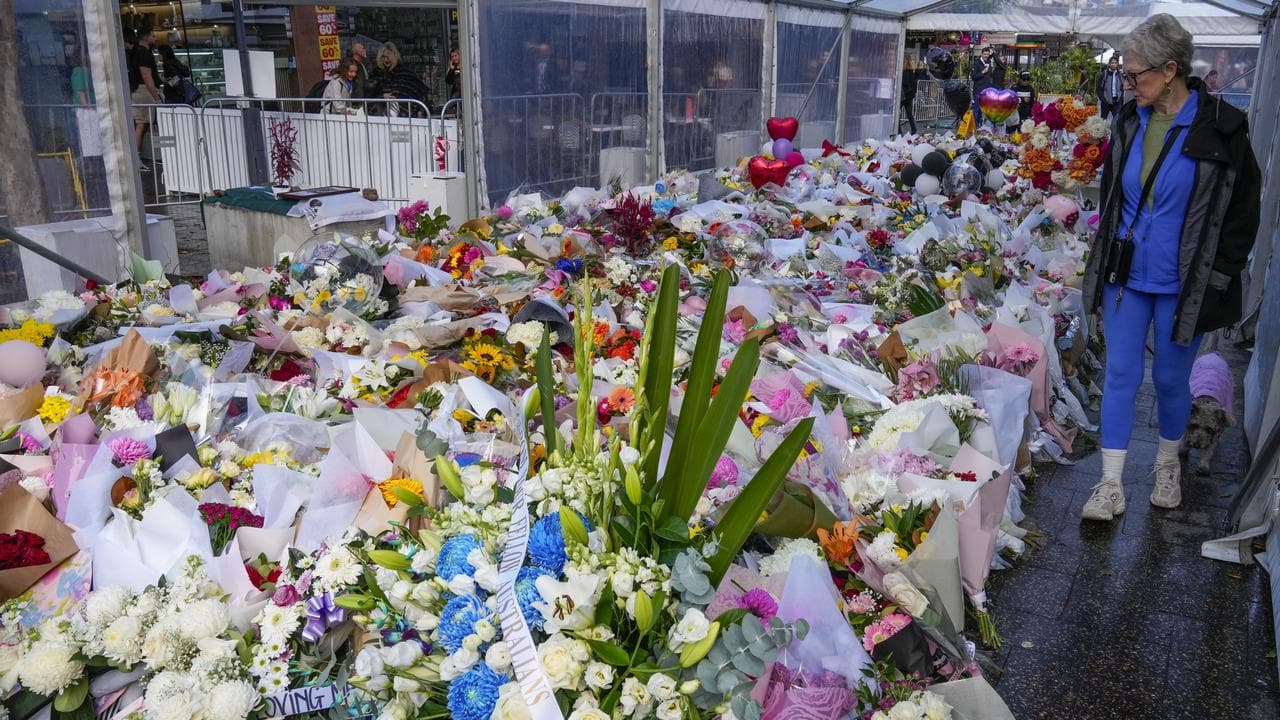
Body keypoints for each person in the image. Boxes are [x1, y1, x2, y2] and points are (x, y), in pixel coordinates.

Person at [1079, 14, 1260, 520]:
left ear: (1171, 69)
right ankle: (1110, 485)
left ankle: (1166, 464)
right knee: (1119, 373)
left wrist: (1222, 274)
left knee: (1171, 382)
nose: (1127, 84)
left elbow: (1245, 210)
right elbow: (1116, 198)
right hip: (1127, 276)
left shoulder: (1222, 128)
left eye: (1135, 75)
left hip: (1184, 283)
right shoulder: (1130, 122)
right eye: (1125, 75)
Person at [128, 27, 162, 172]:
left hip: (140, 90)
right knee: (141, 124)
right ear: (146, 37)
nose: (155, 39)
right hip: (144, 91)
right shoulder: (143, 54)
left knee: (143, 124)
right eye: (153, 36)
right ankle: (136, 158)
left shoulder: (135, 52)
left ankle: (139, 157)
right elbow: (146, 76)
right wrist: (156, 96)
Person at [371, 43, 428, 117]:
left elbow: (420, 92)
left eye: (388, 57)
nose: (386, 60)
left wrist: (421, 111)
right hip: (381, 116)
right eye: (383, 57)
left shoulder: (406, 73)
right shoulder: (376, 75)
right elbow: (369, 96)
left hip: (407, 117)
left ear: (395, 56)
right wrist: (382, 97)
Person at [969, 46, 995, 121]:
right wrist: (982, 72)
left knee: (983, 109)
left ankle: (980, 125)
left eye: (987, 54)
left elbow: (989, 76)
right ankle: (975, 126)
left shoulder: (989, 62)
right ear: (981, 54)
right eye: (984, 54)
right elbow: (973, 76)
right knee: (976, 109)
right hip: (978, 90)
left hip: (987, 90)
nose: (986, 56)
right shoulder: (976, 63)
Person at [1096, 55, 1125, 119]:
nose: (1113, 64)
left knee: (1117, 120)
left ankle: (1114, 129)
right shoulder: (1105, 74)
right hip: (1106, 102)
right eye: (1112, 63)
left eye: (1115, 63)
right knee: (1103, 120)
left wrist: (1120, 98)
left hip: (1116, 102)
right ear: (1109, 64)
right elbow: (1098, 88)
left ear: (1117, 64)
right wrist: (1103, 99)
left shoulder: (1120, 75)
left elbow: (1122, 87)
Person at [900, 57, 920, 134]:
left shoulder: (904, 72)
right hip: (909, 96)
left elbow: (905, 83)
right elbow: (914, 84)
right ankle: (914, 129)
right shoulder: (912, 72)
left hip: (904, 96)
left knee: (898, 113)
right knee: (909, 114)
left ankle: (899, 130)